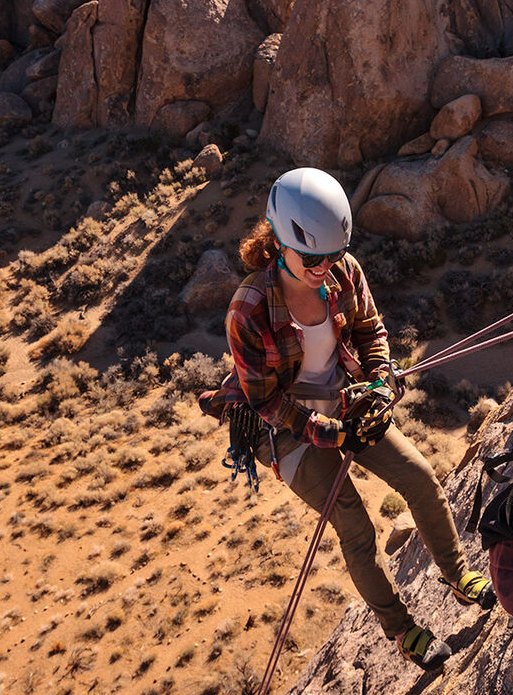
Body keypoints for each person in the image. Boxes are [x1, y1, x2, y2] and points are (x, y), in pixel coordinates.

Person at [204, 167, 494, 668]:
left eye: (332, 255)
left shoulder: (343, 271)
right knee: (356, 526)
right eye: (313, 257)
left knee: (422, 480)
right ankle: (402, 631)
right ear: (280, 240)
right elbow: (266, 401)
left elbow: (370, 328)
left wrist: (381, 378)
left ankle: (458, 574)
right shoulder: (248, 310)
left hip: (347, 402)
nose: (324, 267)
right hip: (288, 433)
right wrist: (328, 431)